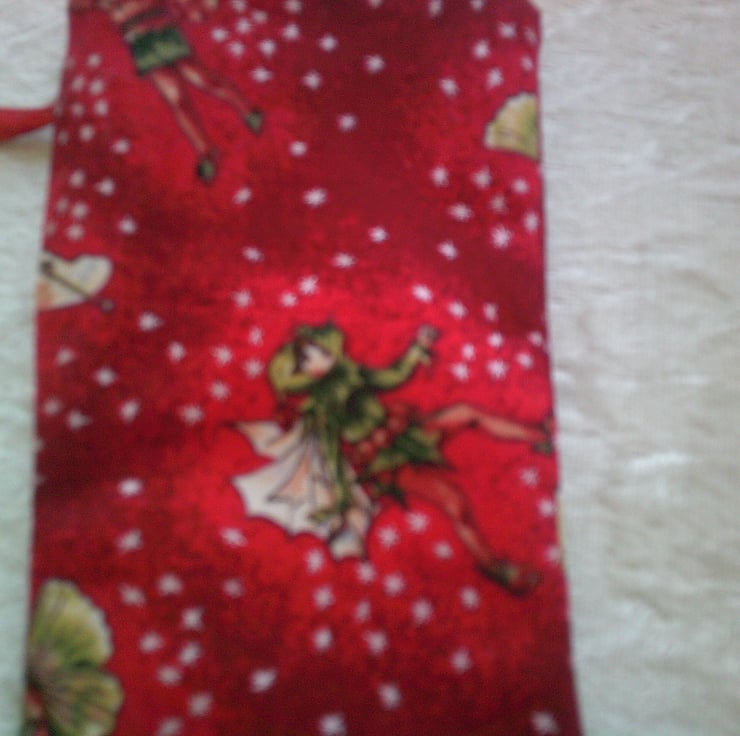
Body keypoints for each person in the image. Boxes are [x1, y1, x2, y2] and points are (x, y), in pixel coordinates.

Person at [233, 323, 550, 595]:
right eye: (307, 358)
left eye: (317, 349)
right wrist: (341, 498)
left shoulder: (350, 372)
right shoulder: (321, 408)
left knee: (465, 413)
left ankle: (540, 436)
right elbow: (330, 451)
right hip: (388, 462)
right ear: (300, 374)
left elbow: (391, 377)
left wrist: (416, 349)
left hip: (406, 433)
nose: (319, 355)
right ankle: (494, 567)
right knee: (455, 503)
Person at [71, 0, 263, 181]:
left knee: (202, 79)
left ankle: (248, 111)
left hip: (161, 28)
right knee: (176, 98)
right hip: (141, 42)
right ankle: (206, 150)